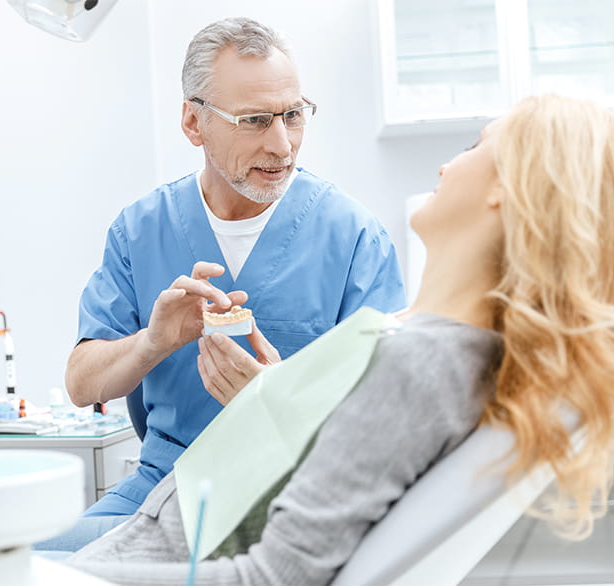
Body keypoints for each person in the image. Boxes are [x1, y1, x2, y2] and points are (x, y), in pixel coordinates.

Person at [59, 94, 614, 584]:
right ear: (195, 122)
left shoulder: (419, 363)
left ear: (508, 188)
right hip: (163, 528)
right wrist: (275, 399)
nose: (449, 163)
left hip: (162, 551)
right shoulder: (439, 350)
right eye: (254, 118)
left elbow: (275, 575)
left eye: (476, 147)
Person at [46, 17, 406, 549]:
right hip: (160, 488)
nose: (282, 145)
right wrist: (154, 342)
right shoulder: (140, 230)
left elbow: (391, 419)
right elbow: (82, 384)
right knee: (17, 558)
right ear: (193, 123)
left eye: (293, 115)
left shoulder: (352, 238)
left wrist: (279, 401)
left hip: (292, 493)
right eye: (256, 120)